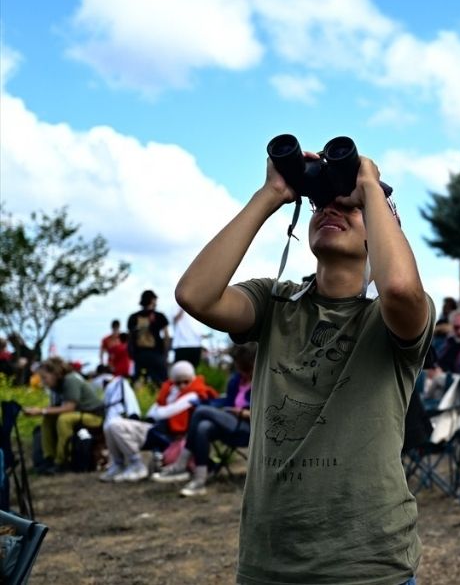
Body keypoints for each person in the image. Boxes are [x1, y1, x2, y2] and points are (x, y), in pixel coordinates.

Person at [174, 147, 433, 584]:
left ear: (379, 233)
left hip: (367, 565)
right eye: (322, 204)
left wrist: (369, 188)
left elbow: (401, 289)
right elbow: (195, 296)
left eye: (349, 208)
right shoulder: (274, 303)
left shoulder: (390, 319)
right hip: (268, 562)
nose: (332, 209)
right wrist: (272, 192)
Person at [152, 343, 255, 496]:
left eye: (245, 369)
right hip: (231, 424)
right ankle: (199, 481)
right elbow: (227, 402)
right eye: (240, 368)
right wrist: (212, 403)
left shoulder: (263, 383)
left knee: (200, 411)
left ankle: (181, 464)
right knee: (203, 427)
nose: (242, 372)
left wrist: (241, 413)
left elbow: (268, 414)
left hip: (249, 428)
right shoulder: (236, 381)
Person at [103, 360, 217, 482]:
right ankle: (119, 464)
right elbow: (153, 413)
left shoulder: (194, 393)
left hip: (170, 436)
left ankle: (136, 465)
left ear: (192, 379)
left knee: (116, 425)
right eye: (178, 382)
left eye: (186, 381)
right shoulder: (171, 391)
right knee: (111, 424)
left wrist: (164, 406)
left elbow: (162, 413)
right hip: (157, 430)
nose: (182, 385)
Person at [23, 357, 107, 473]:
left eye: (45, 377)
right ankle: (49, 458)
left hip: (94, 416)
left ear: (55, 373)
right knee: (49, 418)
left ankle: (61, 461)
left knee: (64, 420)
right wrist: (42, 411)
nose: (43, 381)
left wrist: (41, 411)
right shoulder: (57, 386)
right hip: (81, 414)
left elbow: (69, 407)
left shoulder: (70, 380)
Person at [127, 290, 170, 385]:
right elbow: (166, 336)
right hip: (156, 354)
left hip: (139, 355)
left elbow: (129, 339)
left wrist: (132, 354)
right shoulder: (160, 316)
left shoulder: (133, 317)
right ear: (152, 300)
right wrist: (165, 354)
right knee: (163, 383)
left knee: (140, 383)